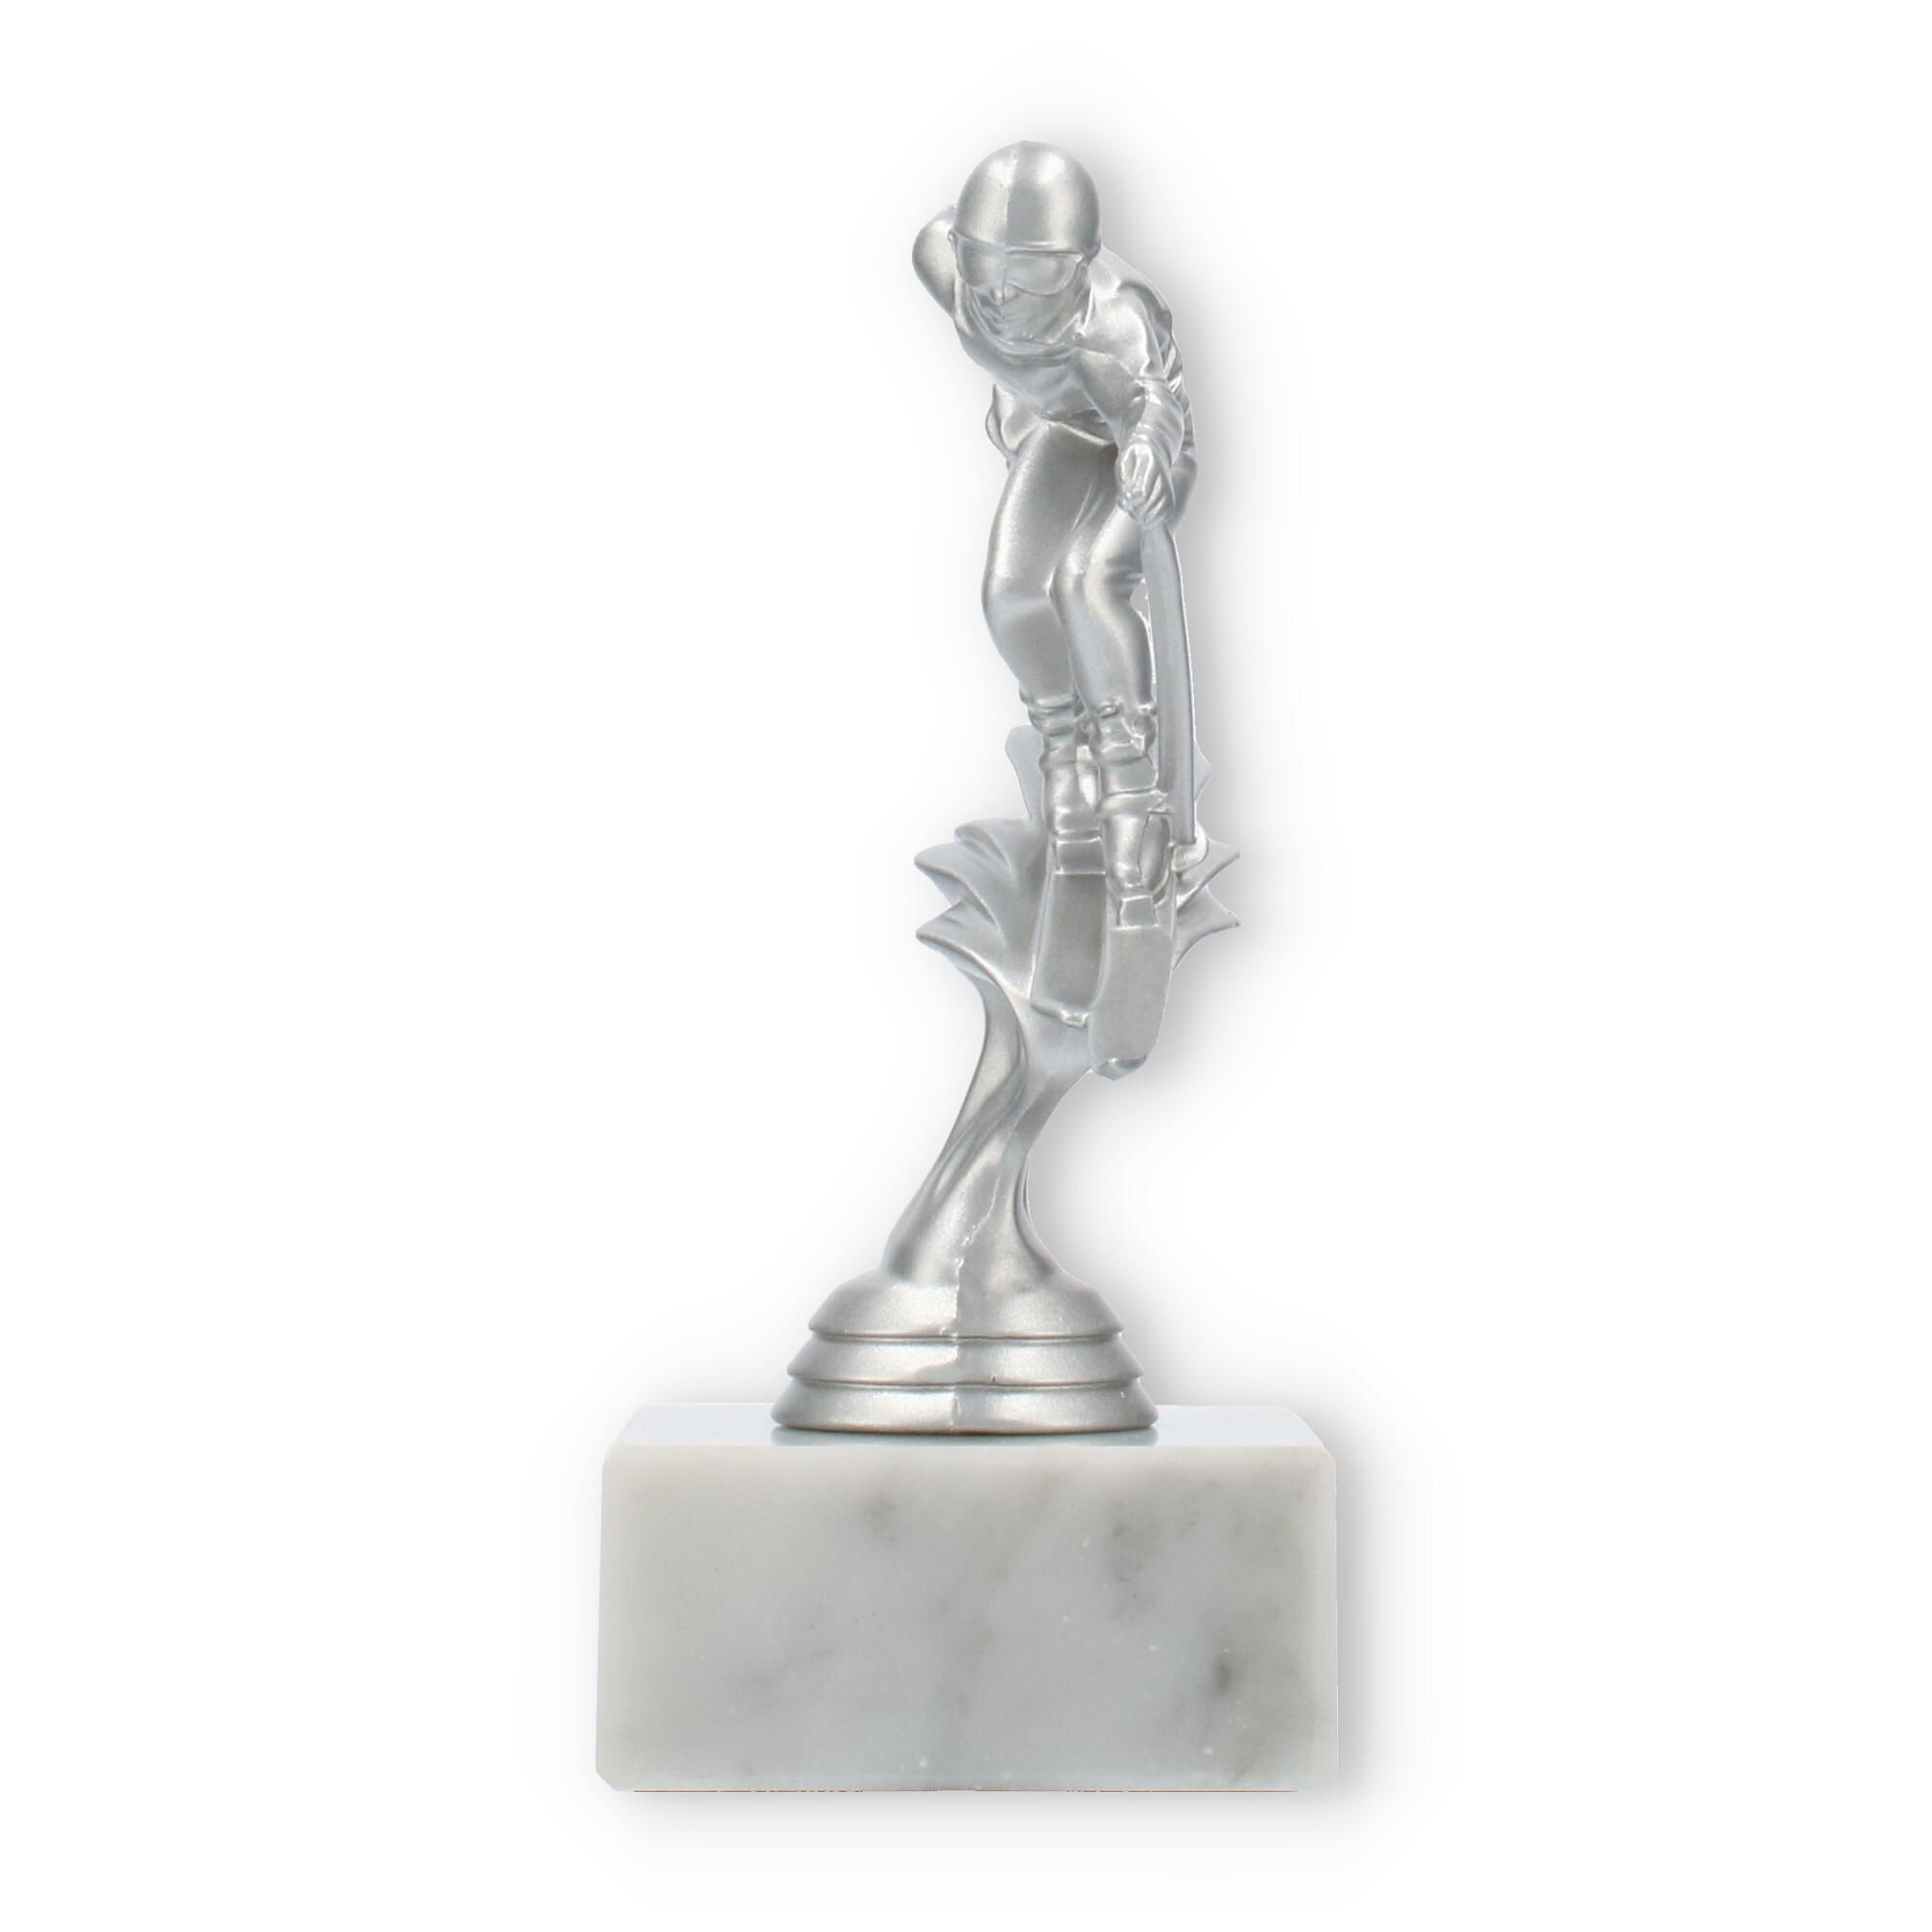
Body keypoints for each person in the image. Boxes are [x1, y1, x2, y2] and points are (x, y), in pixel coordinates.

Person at [913, 141, 1198, 928]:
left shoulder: (1113, 318)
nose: (1002, 292)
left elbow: (1153, 405)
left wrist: (1148, 451)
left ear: (1075, 267)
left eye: (1032, 272)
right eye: (984, 262)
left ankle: (1132, 792)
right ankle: (1063, 758)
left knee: (1085, 582)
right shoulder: (946, 268)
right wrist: (1012, 411)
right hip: (1064, 432)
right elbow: (948, 249)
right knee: (1010, 594)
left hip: (1140, 448)